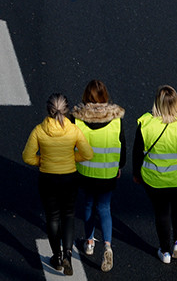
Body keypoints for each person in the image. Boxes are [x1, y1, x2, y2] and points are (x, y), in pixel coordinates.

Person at [23, 92, 94, 276]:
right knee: (68, 215)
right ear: (67, 110)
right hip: (69, 177)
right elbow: (87, 154)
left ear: (48, 110)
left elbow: (27, 157)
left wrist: (42, 161)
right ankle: (68, 256)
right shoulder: (73, 130)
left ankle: (57, 256)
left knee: (52, 217)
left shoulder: (39, 130)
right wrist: (72, 158)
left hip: (48, 178)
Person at [134, 85, 177, 264]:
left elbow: (137, 153)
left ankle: (164, 251)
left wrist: (136, 174)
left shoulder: (146, 123)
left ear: (157, 102)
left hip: (155, 180)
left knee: (161, 214)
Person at [74, 80, 125, 272]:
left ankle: (89, 242)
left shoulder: (77, 118)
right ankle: (108, 246)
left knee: (88, 205)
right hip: (108, 172)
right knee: (104, 207)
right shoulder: (115, 119)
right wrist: (119, 166)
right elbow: (122, 145)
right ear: (105, 96)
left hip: (85, 172)